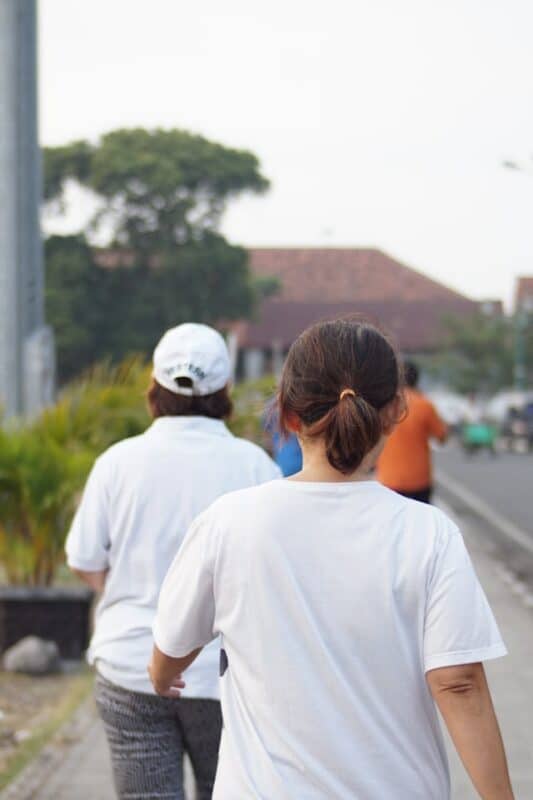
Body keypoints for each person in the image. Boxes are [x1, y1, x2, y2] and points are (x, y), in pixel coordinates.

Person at [150, 318, 513, 800]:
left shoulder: (229, 521)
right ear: (395, 412)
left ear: (287, 414)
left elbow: (172, 646)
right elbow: (458, 683)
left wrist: (163, 677)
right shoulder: (430, 533)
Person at [65, 323, 280, 800]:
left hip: (129, 665)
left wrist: (131, 587)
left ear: (154, 387)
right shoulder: (254, 467)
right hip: (223, 675)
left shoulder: (117, 463)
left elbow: (84, 560)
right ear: (225, 389)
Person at [377, 359, 447, 503]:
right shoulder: (425, 405)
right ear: (417, 379)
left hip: (389, 479)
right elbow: (441, 436)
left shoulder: (384, 405)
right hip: (419, 480)